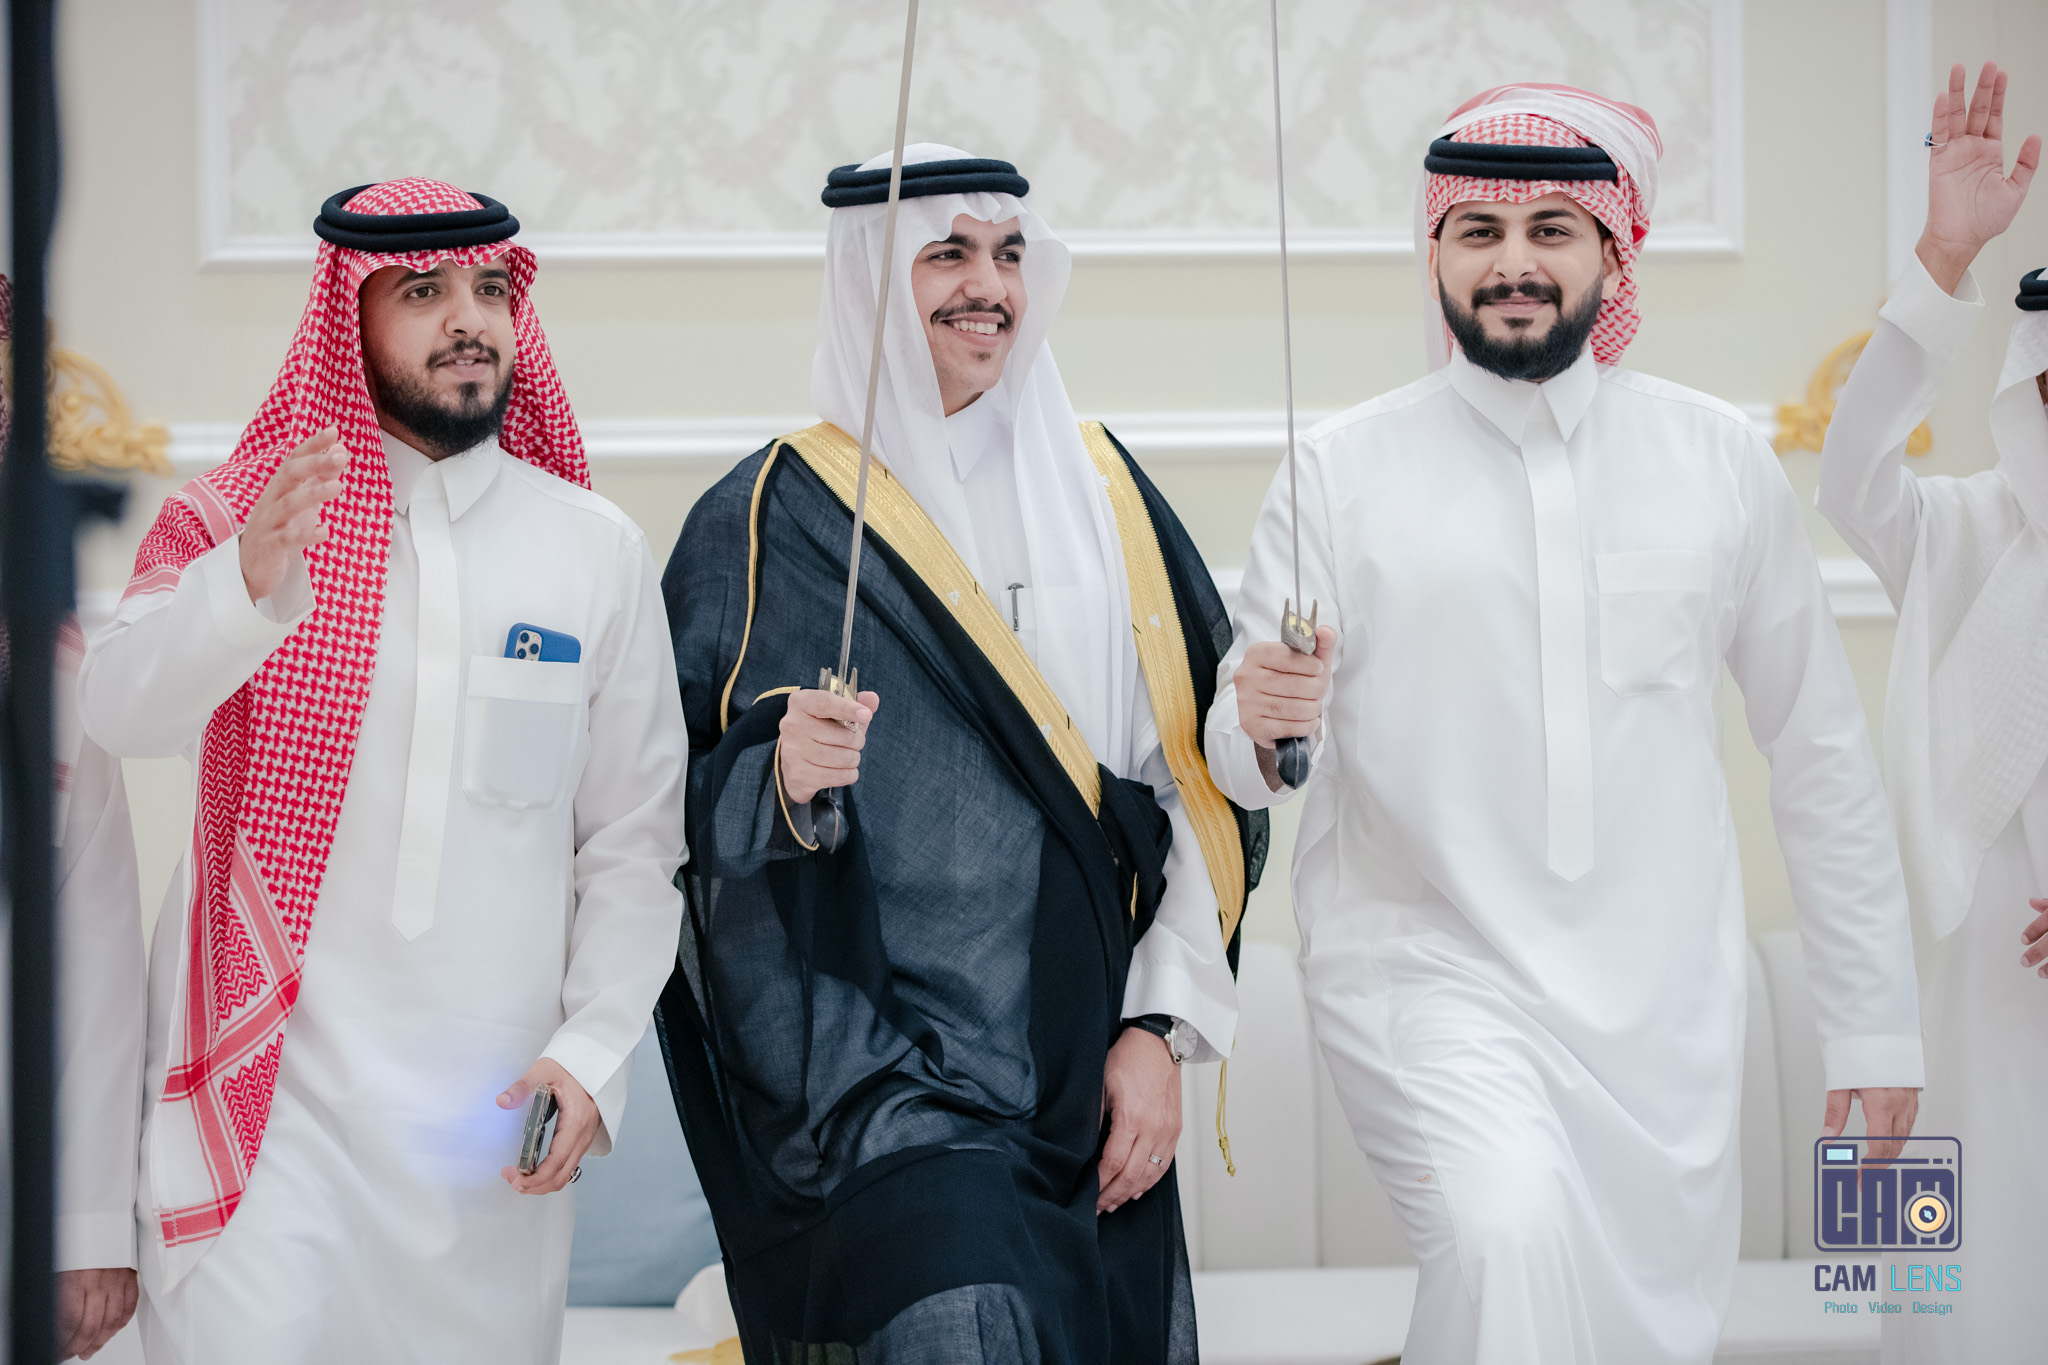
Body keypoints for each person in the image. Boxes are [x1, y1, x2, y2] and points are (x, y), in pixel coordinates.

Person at [1207, 85, 1925, 1364]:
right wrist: (1256, 723)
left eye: (1549, 228)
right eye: (1476, 231)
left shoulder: (1715, 462)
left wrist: (1870, 1024)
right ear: (1433, 251)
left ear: (1612, 250)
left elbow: (1816, 752)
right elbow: (1242, 750)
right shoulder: (1339, 470)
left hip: (1664, 1021)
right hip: (1426, 974)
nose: (1513, 262)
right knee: (1503, 1235)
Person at [656, 146, 1261, 1364]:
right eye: (946, 254)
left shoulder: (1106, 498)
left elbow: (1192, 790)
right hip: (873, 1079)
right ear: (870, 281)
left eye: (1007, 255)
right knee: (955, 1317)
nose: (986, 286)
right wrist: (781, 781)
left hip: (1081, 1060)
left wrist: (1158, 1032)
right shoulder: (769, 518)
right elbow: (666, 809)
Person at [77, 178, 687, 1364]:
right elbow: (118, 711)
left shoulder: (591, 549)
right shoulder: (236, 523)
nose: (468, 318)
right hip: (268, 1117)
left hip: (482, 1133)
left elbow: (633, 840)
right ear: (345, 315)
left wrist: (593, 1051)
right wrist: (244, 583)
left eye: (490, 289)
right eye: (422, 292)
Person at [1814, 60, 2043, 1365]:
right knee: (1938, 1310)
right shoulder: (1964, 534)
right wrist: (1943, 260)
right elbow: (1851, 479)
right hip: (1957, 997)